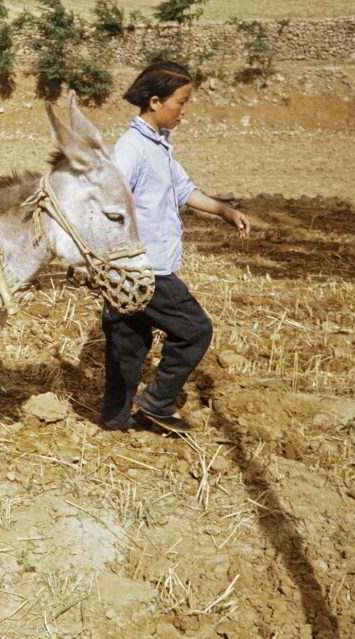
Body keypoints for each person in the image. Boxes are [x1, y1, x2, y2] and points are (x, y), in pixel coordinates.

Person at [100, 61, 250, 433]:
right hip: (146, 267)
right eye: (180, 102)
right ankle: (157, 401)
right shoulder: (131, 149)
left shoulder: (158, 145)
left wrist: (224, 211)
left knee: (129, 343)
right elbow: (109, 202)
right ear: (154, 102)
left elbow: (183, 190)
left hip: (135, 268)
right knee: (195, 329)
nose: (185, 111)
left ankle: (115, 422)